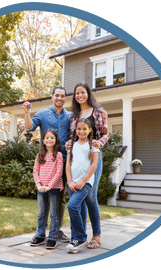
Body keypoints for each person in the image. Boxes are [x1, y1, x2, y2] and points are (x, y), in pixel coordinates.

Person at [22, 87, 71, 242]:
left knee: (60, 198)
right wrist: (27, 113)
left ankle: (57, 231)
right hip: (46, 162)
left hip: (63, 161)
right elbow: (29, 127)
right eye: (57, 95)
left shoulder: (70, 116)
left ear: (65, 98)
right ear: (52, 97)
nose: (60, 98)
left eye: (62, 96)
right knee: (43, 198)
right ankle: (41, 232)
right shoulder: (43, 113)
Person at [66, 82, 109, 249]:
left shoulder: (97, 110)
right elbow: (73, 135)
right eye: (77, 93)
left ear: (88, 93)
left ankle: (96, 236)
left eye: (82, 92)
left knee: (90, 197)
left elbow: (105, 133)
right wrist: (69, 144)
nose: (79, 95)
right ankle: (79, 235)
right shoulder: (73, 114)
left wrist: (99, 143)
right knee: (79, 198)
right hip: (77, 157)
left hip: (93, 156)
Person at [66, 118, 100, 253]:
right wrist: (69, 181)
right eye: (79, 129)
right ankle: (75, 240)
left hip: (85, 183)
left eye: (84, 129)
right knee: (77, 209)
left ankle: (80, 237)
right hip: (72, 182)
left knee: (72, 205)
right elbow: (68, 164)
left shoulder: (93, 145)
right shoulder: (71, 145)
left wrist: (83, 181)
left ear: (90, 130)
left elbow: (94, 165)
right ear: (75, 129)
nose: (81, 131)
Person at [30, 129, 64, 249]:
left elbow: (59, 172)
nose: (49, 140)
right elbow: (35, 171)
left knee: (54, 214)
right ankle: (40, 235)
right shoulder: (40, 155)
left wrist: (50, 185)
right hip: (41, 188)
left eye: (52, 138)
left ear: (55, 140)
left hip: (53, 188)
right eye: (47, 138)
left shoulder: (58, 155)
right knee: (41, 213)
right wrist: (39, 185)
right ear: (43, 140)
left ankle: (53, 237)